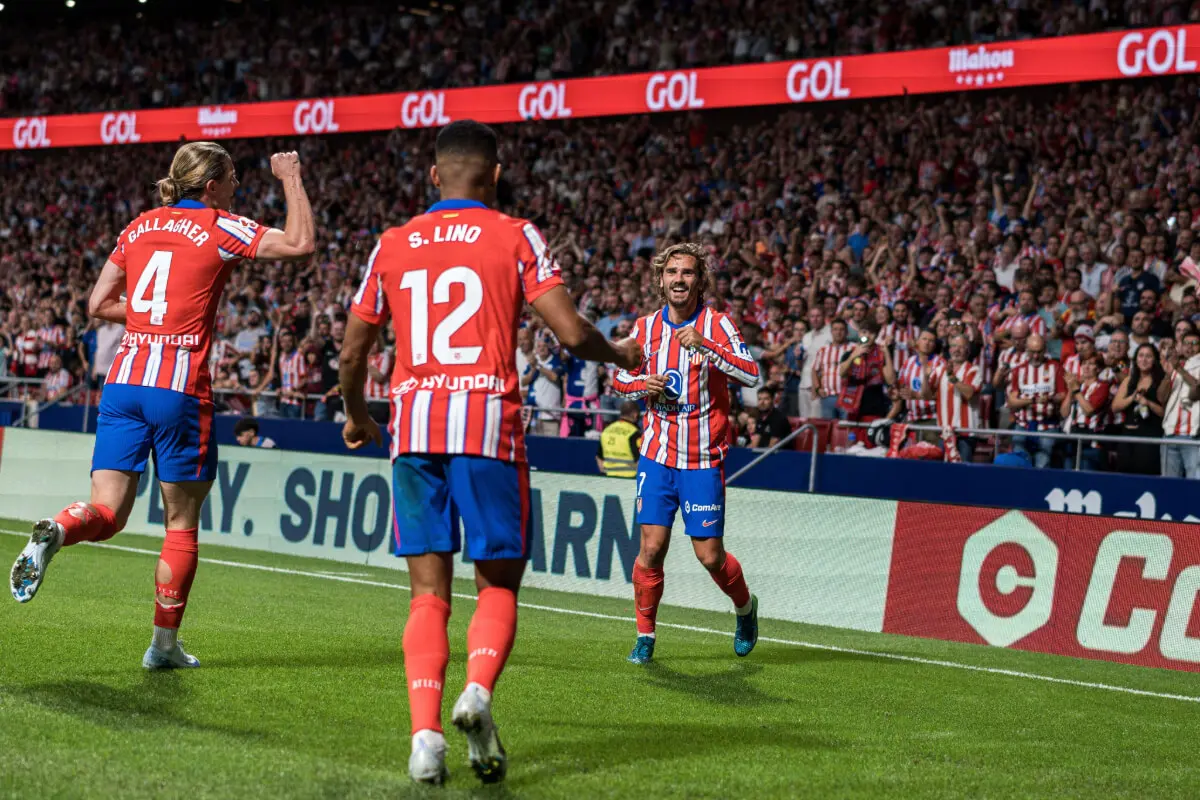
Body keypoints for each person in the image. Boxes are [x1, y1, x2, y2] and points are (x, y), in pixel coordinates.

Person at [337, 120, 639, 786]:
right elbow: (568, 329)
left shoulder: (391, 243)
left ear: (433, 174)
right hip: (486, 428)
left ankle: (424, 738)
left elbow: (353, 351)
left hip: (414, 430)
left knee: (426, 596)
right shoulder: (516, 234)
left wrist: (359, 418)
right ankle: (475, 691)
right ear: (496, 175)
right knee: (497, 583)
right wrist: (615, 353)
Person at [9, 142, 314, 674]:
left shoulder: (138, 226)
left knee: (106, 512)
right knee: (181, 523)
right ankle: (163, 647)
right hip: (177, 387)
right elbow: (300, 243)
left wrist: (151, 312)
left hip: (123, 382)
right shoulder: (221, 225)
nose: (239, 185)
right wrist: (290, 177)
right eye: (235, 178)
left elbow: (98, 304)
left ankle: (57, 529)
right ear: (212, 185)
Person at [612, 241, 761, 667]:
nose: (680, 279)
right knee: (651, 548)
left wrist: (706, 347)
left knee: (709, 556)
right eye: (672, 272)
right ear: (661, 279)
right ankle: (645, 636)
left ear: (700, 281)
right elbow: (619, 378)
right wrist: (644, 385)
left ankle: (745, 609)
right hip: (657, 456)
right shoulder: (644, 328)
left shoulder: (716, 323)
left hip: (701, 460)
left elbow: (752, 374)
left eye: (688, 273)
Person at [1005, 334, 1064, 468]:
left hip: (1048, 425)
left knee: (1042, 463)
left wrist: (1050, 398)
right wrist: (1033, 400)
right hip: (1023, 424)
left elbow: (1062, 394)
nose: (1036, 356)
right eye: (1032, 352)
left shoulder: (1056, 368)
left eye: (1039, 352)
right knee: (1020, 463)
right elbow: (1012, 401)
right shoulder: (1018, 371)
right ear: (1026, 350)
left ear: (1045, 350)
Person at [1111, 343, 1170, 475]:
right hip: (1127, 436)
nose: (1144, 360)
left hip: (1149, 437)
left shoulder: (1161, 381)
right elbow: (1115, 407)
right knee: (1124, 475)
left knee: (1145, 475)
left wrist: (1147, 402)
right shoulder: (1129, 380)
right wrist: (1132, 398)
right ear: (1136, 359)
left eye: (1148, 356)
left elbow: (1165, 413)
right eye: (1141, 355)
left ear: (1155, 360)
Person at [1161, 330, 1200, 478]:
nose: (1190, 347)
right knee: (1168, 486)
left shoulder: (1180, 366)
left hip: (1193, 437)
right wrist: (1168, 374)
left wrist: (1179, 369)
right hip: (1170, 434)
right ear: (1180, 346)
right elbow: (1161, 397)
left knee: (1195, 486)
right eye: (1186, 343)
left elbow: (1196, 393)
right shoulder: (1175, 366)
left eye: (1194, 343)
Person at [1060, 355, 1110, 471]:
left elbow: (1089, 410)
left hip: (1091, 441)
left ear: (1098, 369)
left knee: (1086, 478)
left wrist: (1076, 391)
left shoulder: (1102, 386)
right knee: (1068, 477)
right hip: (1072, 438)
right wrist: (1070, 391)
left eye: (1091, 364)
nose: (1086, 367)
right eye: (1084, 364)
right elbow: (1064, 413)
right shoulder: (1078, 386)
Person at [596, 400, 642, 476]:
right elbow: (639, 461)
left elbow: (599, 457)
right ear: (635, 415)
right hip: (630, 478)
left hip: (608, 477)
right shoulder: (634, 433)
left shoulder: (606, 430)